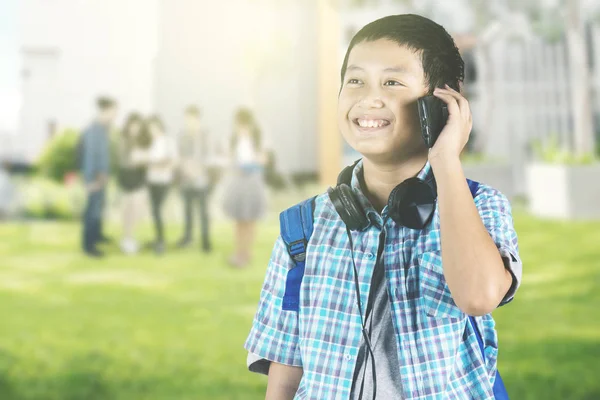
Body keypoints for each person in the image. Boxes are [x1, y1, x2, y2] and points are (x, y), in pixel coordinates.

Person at [244, 14, 522, 399]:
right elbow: (287, 369)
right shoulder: (303, 227)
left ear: (440, 103)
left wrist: (446, 161)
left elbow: (478, 296)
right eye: (355, 80)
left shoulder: (478, 205)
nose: (368, 98)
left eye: (391, 82)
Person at [223, 108, 268, 268]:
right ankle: (238, 252)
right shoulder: (234, 140)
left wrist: (251, 161)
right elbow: (228, 160)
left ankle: (246, 253)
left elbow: (264, 159)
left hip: (252, 180)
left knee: (249, 220)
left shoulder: (257, 139)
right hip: (238, 181)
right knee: (239, 220)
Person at [80, 96, 117, 258]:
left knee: (99, 209)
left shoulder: (103, 129)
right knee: (92, 212)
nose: (115, 115)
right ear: (105, 110)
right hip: (94, 178)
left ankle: (97, 236)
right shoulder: (93, 130)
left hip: (102, 177)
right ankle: (89, 246)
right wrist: (90, 180)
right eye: (113, 111)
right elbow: (89, 156)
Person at [175, 105, 212, 252]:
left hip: (201, 179)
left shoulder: (205, 136)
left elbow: (208, 156)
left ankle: (205, 242)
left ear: (198, 119)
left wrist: (198, 169)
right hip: (186, 179)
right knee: (187, 210)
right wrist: (186, 168)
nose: (189, 122)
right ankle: (188, 237)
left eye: (191, 119)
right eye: (187, 119)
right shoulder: (182, 136)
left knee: (203, 212)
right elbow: (180, 155)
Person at [117, 113, 152, 254]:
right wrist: (139, 160)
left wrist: (143, 159)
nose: (135, 128)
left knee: (137, 209)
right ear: (128, 125)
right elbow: (125, 161)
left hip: (139, 178)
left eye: (138, 126)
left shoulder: (143, 141)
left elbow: (146, 160)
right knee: (128, 209)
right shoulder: (123, 141)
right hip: (127, 178)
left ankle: (130, 237)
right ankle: (127, 238)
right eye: (133, 125)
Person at [145, 115, 178, 254]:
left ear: (160, 127)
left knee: (158, 210)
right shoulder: (151, 143)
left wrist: (162, 166)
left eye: (154, 127)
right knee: (154, 211)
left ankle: (161, 242)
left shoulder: (168, 141)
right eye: (150, 128)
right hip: (152, 180)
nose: (152, 130)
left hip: (163, 180)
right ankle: (158, 238)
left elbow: (174, 161)